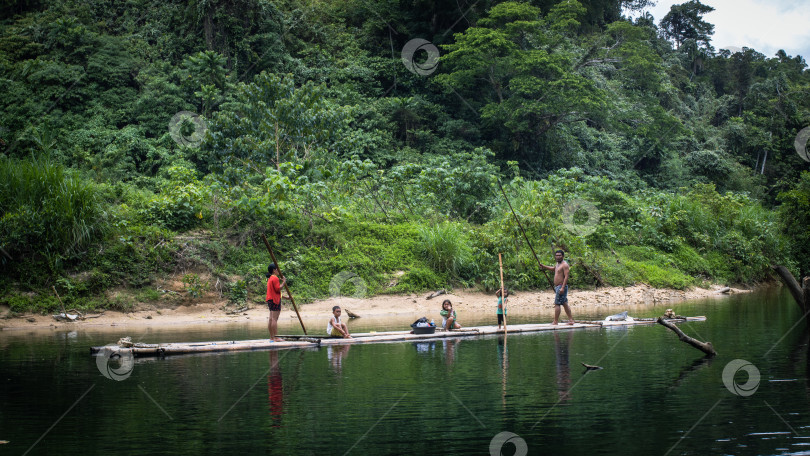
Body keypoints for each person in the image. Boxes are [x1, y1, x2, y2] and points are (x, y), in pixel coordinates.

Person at [540, 250, 573, 325]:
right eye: (556, 255)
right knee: (564, 303)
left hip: (561, 286)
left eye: (559, 255)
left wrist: (562, 288)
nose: (558, 257)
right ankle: (571, 320)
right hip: (558, 286)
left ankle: (555, 321)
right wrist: (544, 267)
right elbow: (554, 269)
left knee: (557, 304)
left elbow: (566, 276)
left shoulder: (565, 265)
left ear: (563, 256)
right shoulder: (558, 264)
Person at [266, 263, 286, 342]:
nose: (278, 270)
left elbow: (275, 291)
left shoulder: (270, 278)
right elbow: (278, 289)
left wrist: (285, 297)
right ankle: (276, 337)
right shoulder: (275, 278)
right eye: (277, 269)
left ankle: (272, 337)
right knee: (274, 319)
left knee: (271, 318)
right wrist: (284, 282)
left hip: (270, 299)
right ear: (274, 270)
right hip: (274, 300)